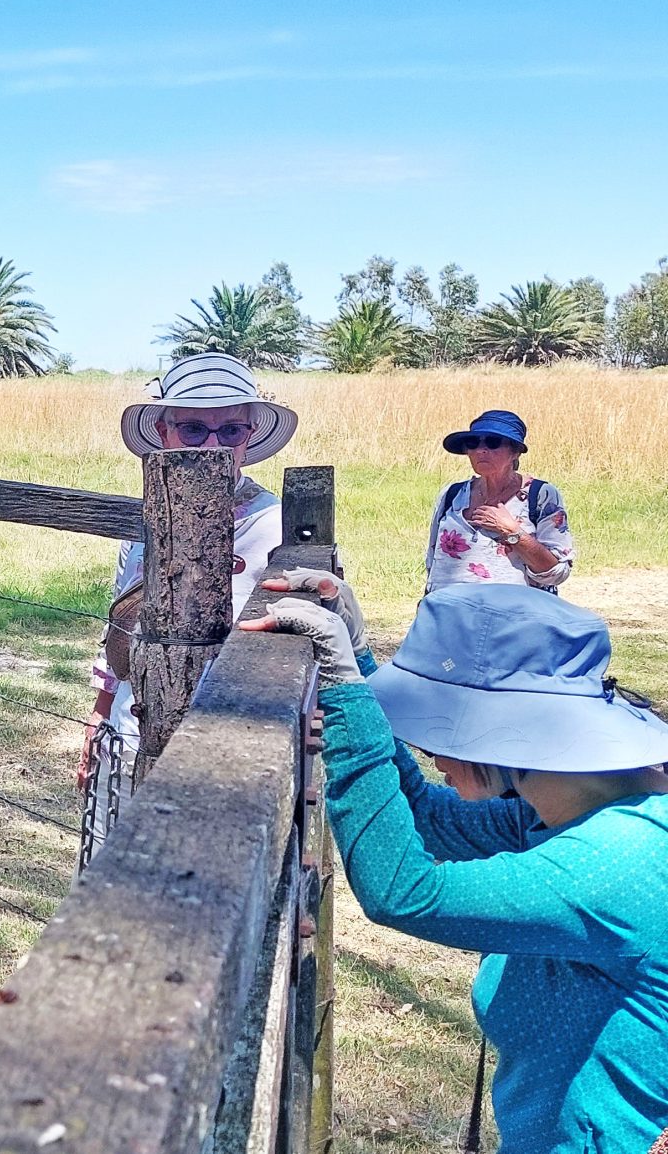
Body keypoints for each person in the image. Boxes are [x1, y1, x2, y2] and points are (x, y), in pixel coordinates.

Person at [244, 575, 668, 1152]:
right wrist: (358, 658)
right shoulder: (582, 802)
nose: (427, 747)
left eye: (441, 722)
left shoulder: (619, 861)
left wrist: (344, 692)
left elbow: (406, 890)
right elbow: (429, 819)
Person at [81, 353, 300, 852]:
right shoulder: (140, 521)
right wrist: (99, 714)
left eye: (230, 432)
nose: (215, 446)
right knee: (111, 861)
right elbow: (118, 629)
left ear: (249, 436)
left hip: (229, 733)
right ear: (164, 431)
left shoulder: (275, 526)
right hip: (134, 723)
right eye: (195, 429)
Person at [426, 409, 574, 595]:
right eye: (473, 443)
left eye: (493, 442)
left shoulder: (541, 496)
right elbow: (432, 561)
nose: (481, 450)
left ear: (515, 452)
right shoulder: (452, 494)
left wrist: (512, 532)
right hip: (450, 612)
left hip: (512, 615)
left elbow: (556, 573)